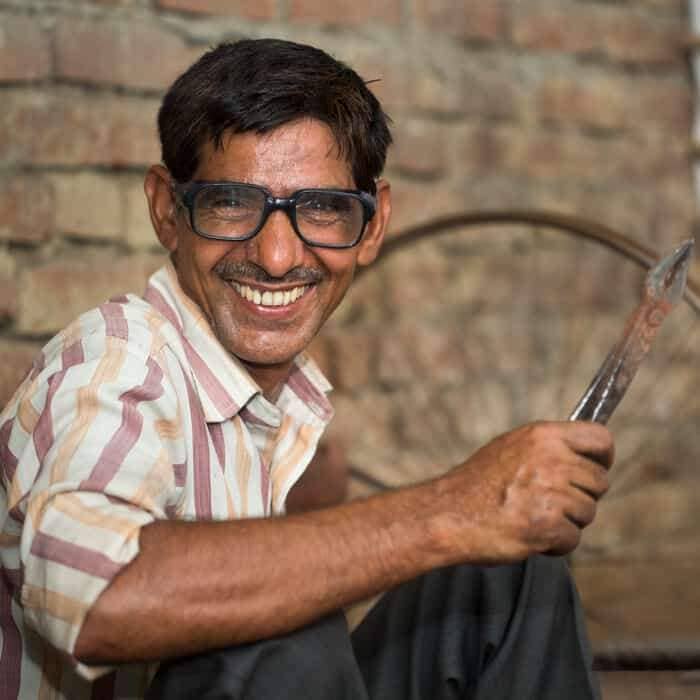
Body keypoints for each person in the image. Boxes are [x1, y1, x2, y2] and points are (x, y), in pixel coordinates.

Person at [0, 38, 613, 699]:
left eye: (322, 209)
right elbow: (98, 600)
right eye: (232, 203)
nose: (276, 255)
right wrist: (451, 510)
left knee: (511, 581)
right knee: (278, 634)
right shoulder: (115, 364)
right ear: (166, 210)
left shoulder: (284, 394)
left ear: (372, 228)